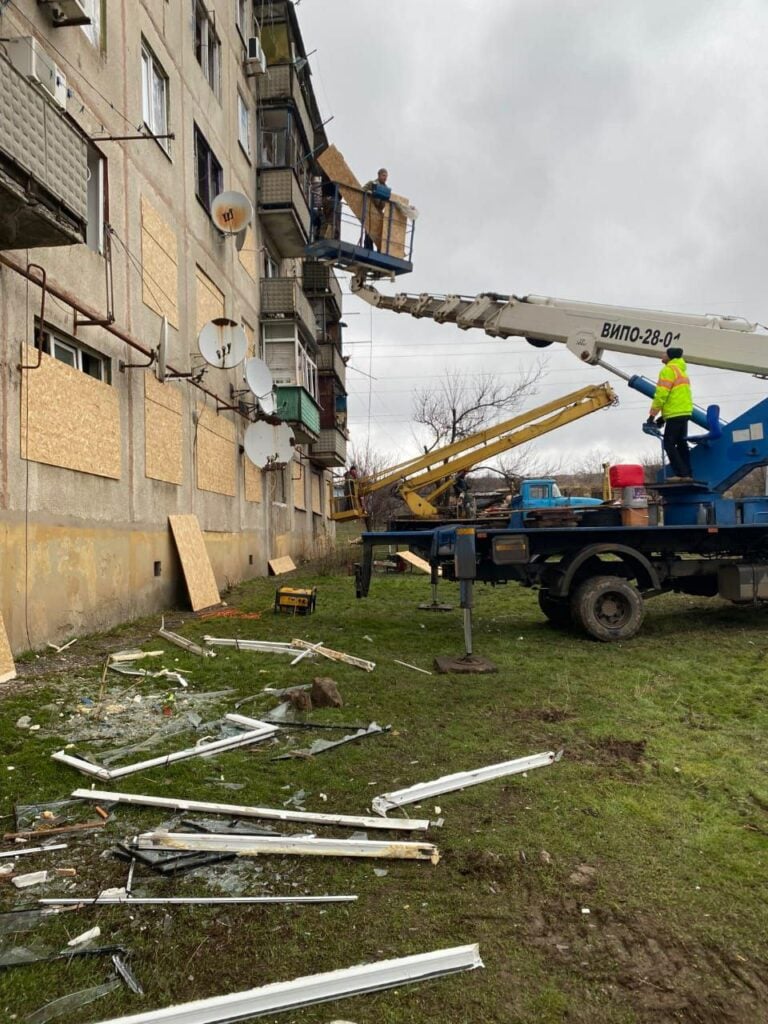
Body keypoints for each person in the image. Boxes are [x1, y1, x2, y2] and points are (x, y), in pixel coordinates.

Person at [646, 347, 693, 480]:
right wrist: (663, 418)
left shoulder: (668, 370)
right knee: (681, 443)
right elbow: (677, 396)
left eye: (664, 353)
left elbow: (661, 395)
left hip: (675, 413)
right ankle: (688, 473)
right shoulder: (681, 371)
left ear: (670, 356)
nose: (662, 355)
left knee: (668, 443)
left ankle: (681, 474)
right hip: (683, 411)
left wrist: (652, 416)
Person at [362, 168, 389, 249]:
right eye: (384, 175)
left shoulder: (386, 189)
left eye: (386, 176)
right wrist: (369, 192)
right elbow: (362, 190)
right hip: (371, 210)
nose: (385, 178)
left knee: (378, 232)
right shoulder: (372, 183)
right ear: (379, 175)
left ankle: (379, 249)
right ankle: (368, 248)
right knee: (369, 231)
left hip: (379, 212)